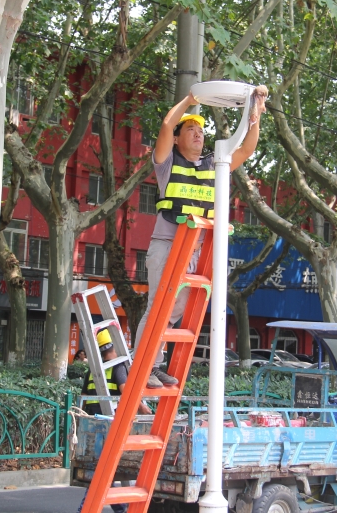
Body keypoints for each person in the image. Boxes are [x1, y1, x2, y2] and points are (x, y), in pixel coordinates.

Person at [134, 86, 269, 389]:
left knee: (174, 312)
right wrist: (190, 102)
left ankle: (154, 367)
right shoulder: (167, 163)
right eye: (191, 129)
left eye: (200, 130)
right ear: (179, 139)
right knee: (158, 306)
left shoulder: (213, 165)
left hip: (194, 250)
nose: (198, 133)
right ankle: (144, 368)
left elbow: (246, 150)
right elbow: (167, 124)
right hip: (168, 246)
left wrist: (255, 115)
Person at [81, 328, 152, 416]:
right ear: (115, 346)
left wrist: (79, 415)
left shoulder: (93, 370)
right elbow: (126, 391)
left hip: (91, 416)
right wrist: (141, 407)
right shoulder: (118, 367)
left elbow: (84, 395)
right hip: (110, 417)